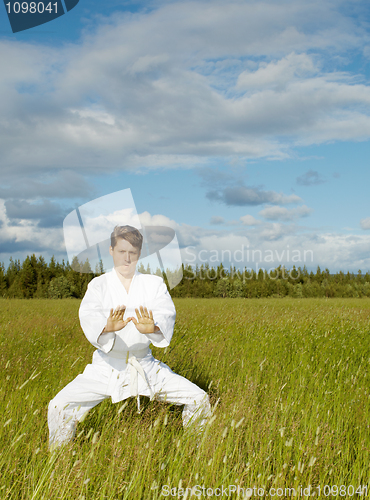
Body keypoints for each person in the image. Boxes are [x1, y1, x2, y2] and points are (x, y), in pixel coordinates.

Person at [48, 225, 211, 449]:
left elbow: (166, 313)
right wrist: (106, 327)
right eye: (121, 251)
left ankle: (198, 450)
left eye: (132, 252)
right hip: (106, 367)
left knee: (198, 398)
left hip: (145, 365)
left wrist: (152, 328)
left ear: (140, 253)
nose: (127, 258)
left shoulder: (154, 284)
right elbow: (88, 315)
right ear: (111, 250)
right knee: (59, 406)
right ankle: (59, 459)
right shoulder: (99, 285)